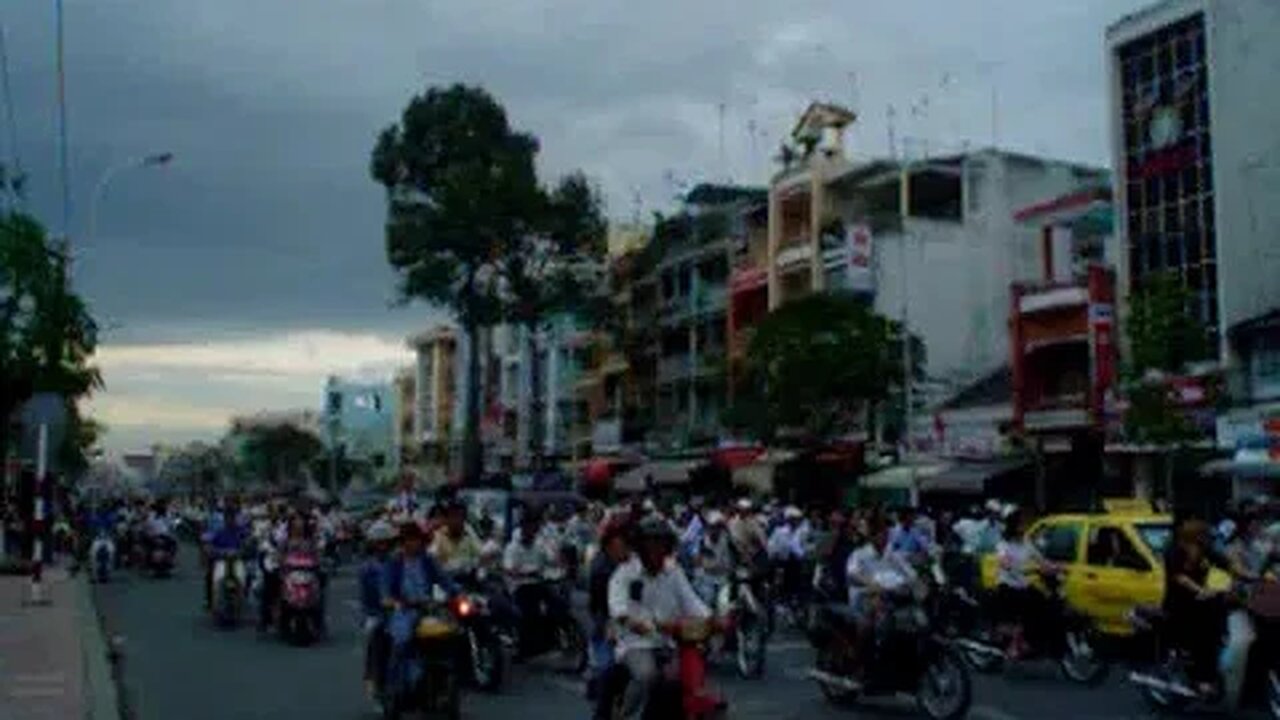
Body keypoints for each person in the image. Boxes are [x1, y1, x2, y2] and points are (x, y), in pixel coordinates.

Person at [608, 517, 711, 720]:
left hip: (670, 642)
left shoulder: (674, 572)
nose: (657, 548)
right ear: (640, 546)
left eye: (662, 543)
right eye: (651, 543)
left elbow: (694, 604)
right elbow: (618, 609)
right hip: (636, 643)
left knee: (689, 680)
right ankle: (626, 716)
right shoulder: (625, 574)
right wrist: (633, 622)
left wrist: (713, 621)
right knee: (647, 676)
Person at [1163, 517, 1254, 697]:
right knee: (1204, 637)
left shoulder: (1205, 551)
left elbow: (1227, 564)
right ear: (1192, 538)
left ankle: (1220, 670)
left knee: (1222, 626)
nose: (1207, 540)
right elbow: (1180, 577)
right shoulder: (1174, 552)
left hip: (1203, 600)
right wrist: (1200, 590)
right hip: (1180, 604)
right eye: (1203, 536)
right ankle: (1201, 678)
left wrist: (1251, 575)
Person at [845, 515, 919, 674]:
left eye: (886, 533)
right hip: (864, 597)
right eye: (880, 533)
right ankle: (859, 660)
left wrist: (917, 583)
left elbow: (911, 574)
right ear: (871, 536)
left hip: (891, 598)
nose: (884, 537)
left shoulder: (893, 554)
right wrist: (869, 583)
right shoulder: (860, 554)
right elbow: (852, 574)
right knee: (869, 622)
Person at [587, 519, 631, 717]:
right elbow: (600, 605)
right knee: (608, 670)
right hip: (606, 620)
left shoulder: (630, 564)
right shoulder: (601, 568)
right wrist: (609, 624)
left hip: (630, 621)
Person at [503, 512, 560, 658]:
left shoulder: (540, 544)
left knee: (557, 603)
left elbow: (551, 559)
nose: (532, 531)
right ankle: (524, 649)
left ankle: (550, 640)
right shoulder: (513, 548)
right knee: (529, 612)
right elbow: (509, 570)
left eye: (535, 528)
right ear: (522, 528)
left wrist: (559, 561)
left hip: (537, 583)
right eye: (529, 527)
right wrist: (527, 573)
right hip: (519, 586)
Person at [993, 510, 1050, 658]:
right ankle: (1011, 644)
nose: (1025, 526)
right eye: (1022, 523)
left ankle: (1028, 641)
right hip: (1008, 586)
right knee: (1020, 614)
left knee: (1043, 605)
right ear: (1014, 526)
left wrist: (1055, 568)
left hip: (1023, 585)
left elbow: (1041, 560)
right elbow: (1003, 560)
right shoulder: (1004, 544)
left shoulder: (1026, 542)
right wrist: (1008, 565)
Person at [360, 520, 396, 709]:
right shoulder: (367, 568)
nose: (383, 546)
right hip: (377, 613)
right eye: (378, 542)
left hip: (400, 610)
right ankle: (377, 684)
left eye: (386, 542)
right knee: (376, 639)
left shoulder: (398, 561)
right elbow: (367, 599)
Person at [430, 500, 483, 576]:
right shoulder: (439, 535)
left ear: (464, 519)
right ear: (447, 519)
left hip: (467, 579)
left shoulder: (468, 532)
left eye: (459, 516)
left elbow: (481, 553)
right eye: (452, 516)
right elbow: (432, 557)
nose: (456, 521)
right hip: (447, 580)